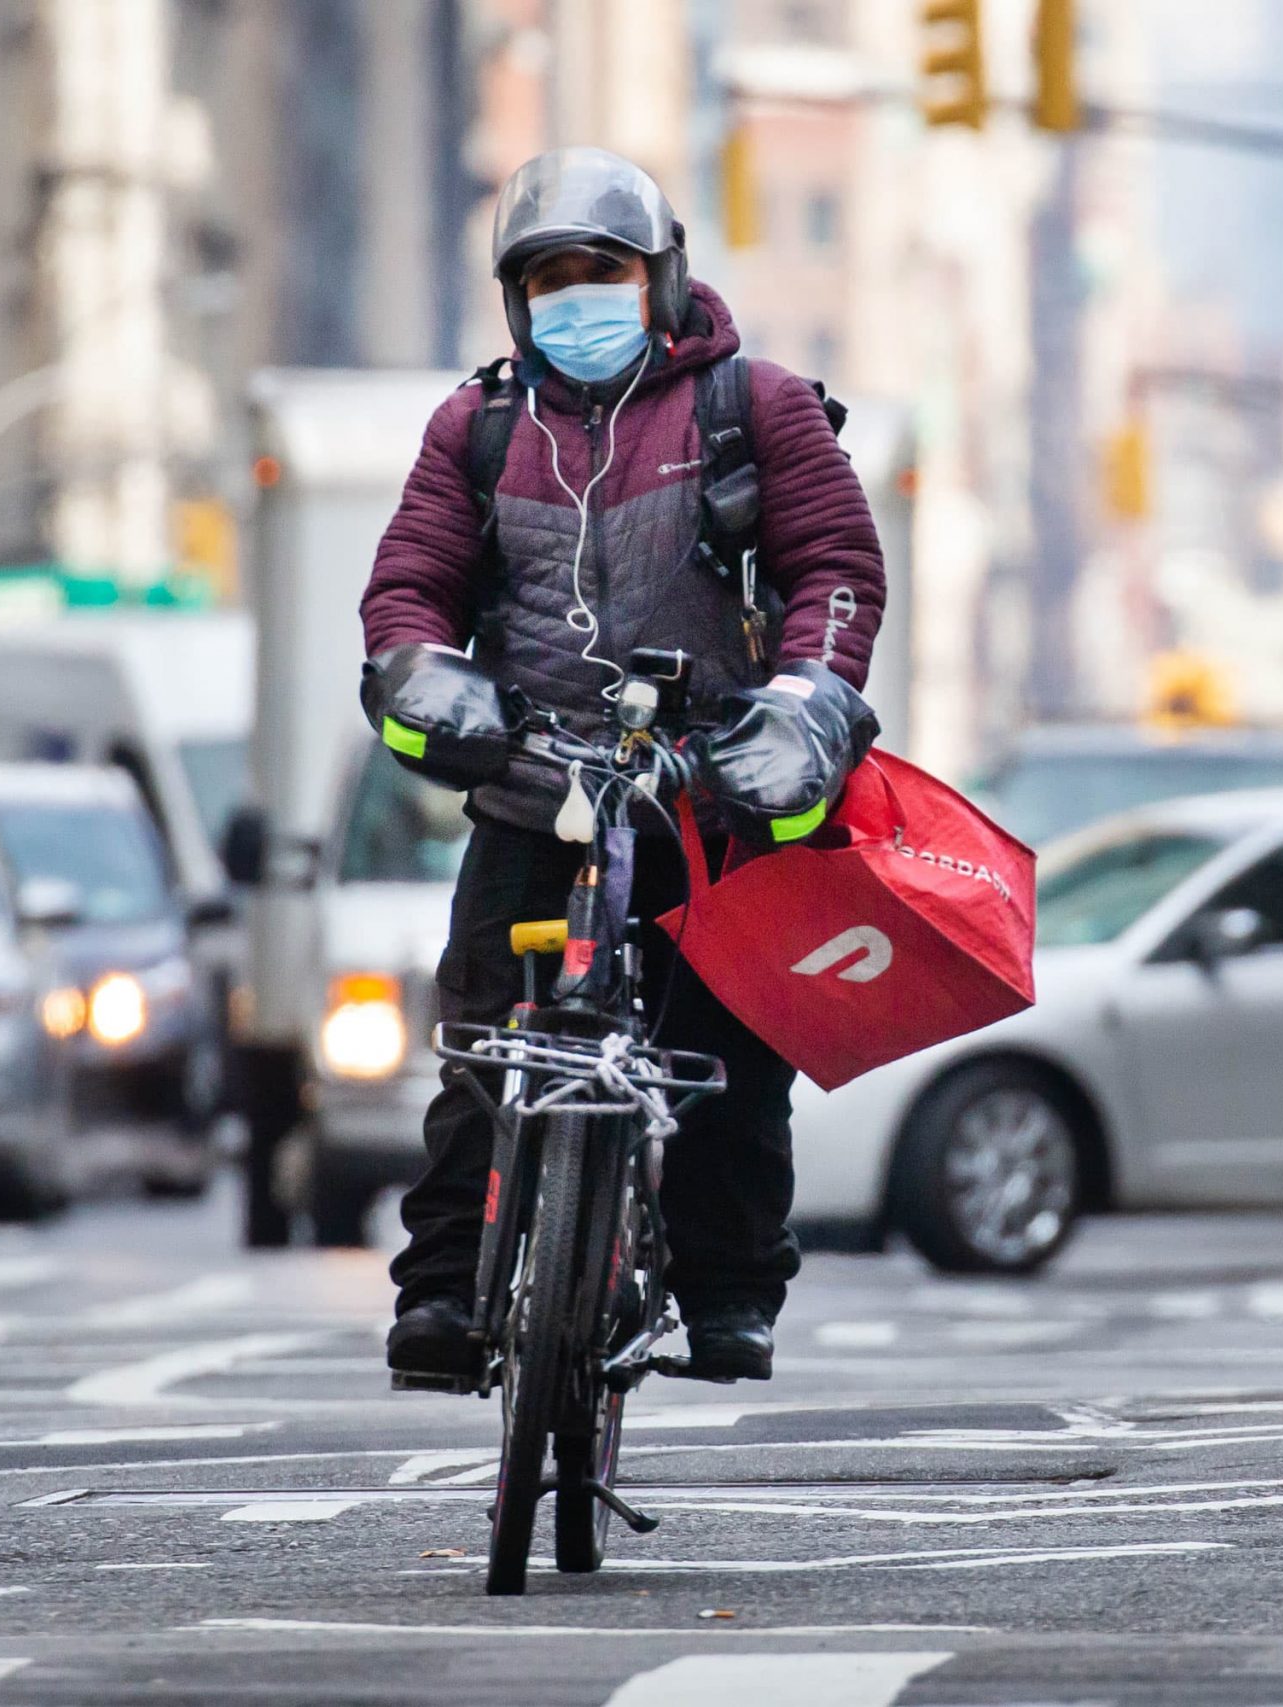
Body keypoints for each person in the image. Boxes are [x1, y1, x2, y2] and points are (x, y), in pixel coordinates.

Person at [358, 147, 887, 1383]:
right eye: (546, 277)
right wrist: (423, 674)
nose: (573, 297)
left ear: (660, 277)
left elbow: (837, 571)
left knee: (728, 1059)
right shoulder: (477, 426)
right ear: (513, 300)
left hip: (706, 797)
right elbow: (410, 586)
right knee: (484, 1054)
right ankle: (442, 1297)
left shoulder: (755, 407)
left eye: (600, 270)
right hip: (531, 794)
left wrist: (806, 701)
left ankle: (728, 1290)